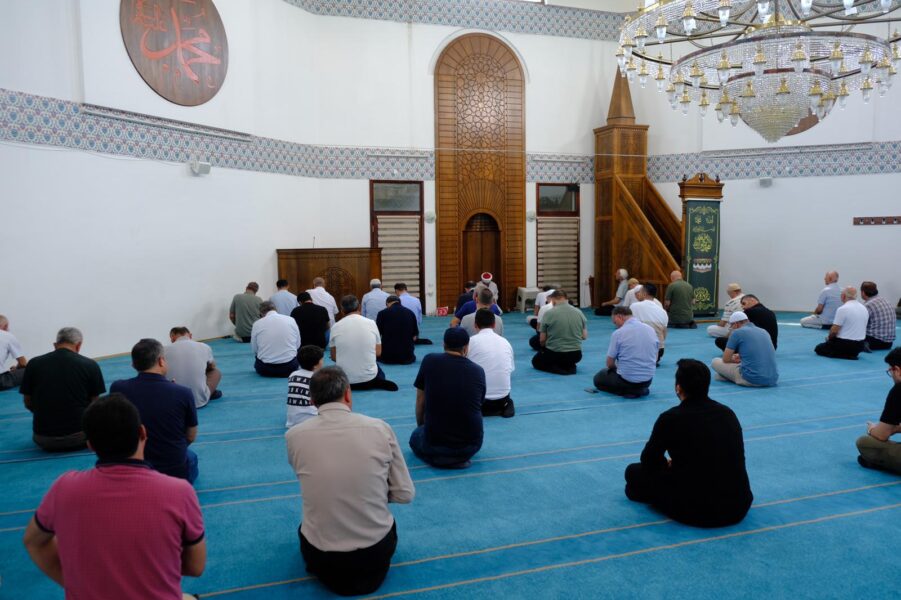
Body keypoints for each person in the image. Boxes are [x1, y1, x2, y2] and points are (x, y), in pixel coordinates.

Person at [23, 394, 206, 599]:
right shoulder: (179, 492)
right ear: (143, 432)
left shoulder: (64, 488)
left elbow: (33, 541)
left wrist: (74, 583)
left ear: (90, 445)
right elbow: (195, 566)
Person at [286, 366, 414, 596]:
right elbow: (405, 494)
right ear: (347, 394)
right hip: (375, 553)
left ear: (312, 400)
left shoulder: (294, 436)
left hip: (322, 557)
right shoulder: (380, 429)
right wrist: (370, 490)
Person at [624, 359, 753, 528]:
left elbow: (649, 459)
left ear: (678, 387)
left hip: (697, 510)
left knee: (633, 474)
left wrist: (667, 465)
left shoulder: (671, 418)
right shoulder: (727, 413)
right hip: (738, 505)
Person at [110, 339, 199, 482]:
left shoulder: (117, 388)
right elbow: (190, 436)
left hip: (133, 466)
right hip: (173, 472)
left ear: (133, 364)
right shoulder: (183, 393)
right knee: (191, 456)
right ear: (161, 361)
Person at [20, 327, 105, 452]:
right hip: (80, 437)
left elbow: (27, 402)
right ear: (79, 345)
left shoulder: (33, 363)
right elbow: (95, 405)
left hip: (43, 439)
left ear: (55, 345)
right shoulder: (90, 364)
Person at [410, 327, 485, 468]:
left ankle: (441, 458)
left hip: (434, 443)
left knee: (415, 436)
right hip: (471, 446)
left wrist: (423, 428)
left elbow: (420, 401)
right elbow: (478, 405)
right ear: (466, 347)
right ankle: (456, 458)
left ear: (444, 344)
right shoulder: (478, 371)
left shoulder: (429, 361)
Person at [330, 295, 398, 391]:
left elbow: (334, 357)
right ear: (359, 307)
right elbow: (378, 352)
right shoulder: (371, 323)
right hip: (369, 379)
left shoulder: (335, 327)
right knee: (378, 370)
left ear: (342, 311)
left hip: (345, 381)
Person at [593, 307, 658, 398]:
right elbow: (655, 357)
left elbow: (609, 363)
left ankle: (628, 390)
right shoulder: (651, 329)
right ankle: (638, 389)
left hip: (626, 381)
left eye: (615, 322)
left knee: (599, 377)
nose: (615, 325)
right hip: (647, 381)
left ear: (619, 317)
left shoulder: (618, 333)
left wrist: (617, 368)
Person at [856, 348, 901, 474]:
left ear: (897, 370)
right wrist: (896, 429)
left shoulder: (898, 391)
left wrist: (871, 429)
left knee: (865, 443)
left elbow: (881, 435)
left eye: (890, 371)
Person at [467, 309, 515, 418]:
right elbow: (510, 369)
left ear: (475, 325)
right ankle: (506, 405)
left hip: (477, 402)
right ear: (494, 325)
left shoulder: (470, 342)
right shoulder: (505, 342)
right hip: (502, 400)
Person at [711, 311, 778, 387]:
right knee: (721, 375)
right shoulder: (764, 331)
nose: (731, 328)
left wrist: (734, 360)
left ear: (736, 324)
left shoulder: (737, 332)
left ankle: (727, 376)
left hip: (751, 379)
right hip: (772, 379)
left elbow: (726, 359)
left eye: (731, 326)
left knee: (715, 361)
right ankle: (726, 376)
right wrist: (741, 356)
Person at [532, 289, 588, 375]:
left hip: (556, 354)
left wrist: (544, 348)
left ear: (553, 300)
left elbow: (542, 340)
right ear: (566, 299)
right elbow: (584, 336)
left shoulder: (549, 313)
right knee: (565, 358)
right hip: (576, 355)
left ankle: (558, 369)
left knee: (536, 361)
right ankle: (569, 366)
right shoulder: (579, 312)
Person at [165, 327, 222, 408]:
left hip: (172, 401)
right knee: (216, 372)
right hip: (198, 400)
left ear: (172, 337)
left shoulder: (164, 350)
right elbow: (212, 366)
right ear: (190, 335)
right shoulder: (204, 346)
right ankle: (207, 392)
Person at [814, 286, 869, 360]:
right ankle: (850, 354)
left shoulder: (843, 309)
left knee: (818, 348)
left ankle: (846, 355)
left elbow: (834, 331)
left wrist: (829, 338)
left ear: (843, 296)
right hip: (860, 345)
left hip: (845, 344)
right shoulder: (864, 308)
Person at [251, 301, 301, 377]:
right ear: (275, 309)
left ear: (261, 313)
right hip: (290, 367)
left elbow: (255, 349)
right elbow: (298, 344)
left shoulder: (257, 324)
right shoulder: (291, 320)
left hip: (265, 369)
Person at [286, 345, 324, 429]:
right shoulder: (318, 378)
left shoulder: (293, 375)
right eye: (322, 359)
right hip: (313, 420)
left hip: (292, 420)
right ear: (315, 365)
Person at [630, 283, 668, 366]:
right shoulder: (663, 312)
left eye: (640, 292)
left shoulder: (634, 306)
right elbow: (664, 335)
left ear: (644, 293)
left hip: (639, 350)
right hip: (658, 351)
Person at [376, 295, 418, 365]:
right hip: (407, 356)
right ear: (399, 302)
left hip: (388, 356)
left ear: (387, 303)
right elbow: (415, 336)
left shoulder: (382, 313)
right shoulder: (410, 313)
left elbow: (377, 334)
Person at [860, 281, 896, 351]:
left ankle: (864, 344)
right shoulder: (885, 300)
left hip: (873, 341)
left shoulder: (867, 305)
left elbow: (859, 325)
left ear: (863, 292)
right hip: (889, 343)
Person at [0, 314, 27, 391]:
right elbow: (23, 363)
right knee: (30, 370)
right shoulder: (7, 336)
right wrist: (17, 369)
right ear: (6, 326)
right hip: (1, 381)